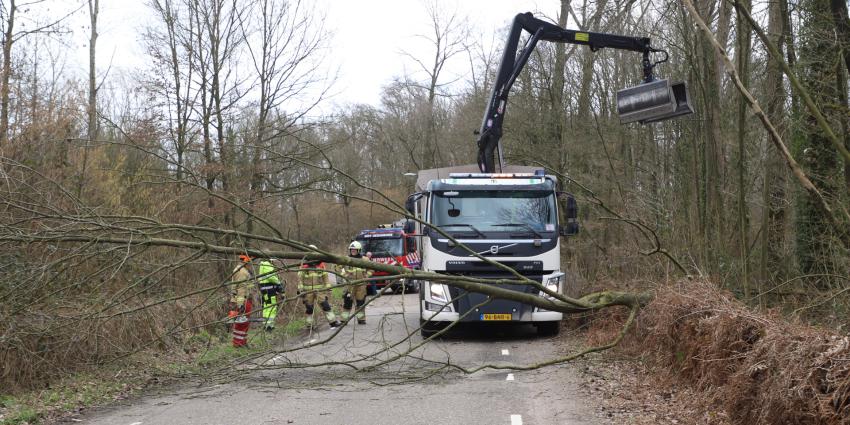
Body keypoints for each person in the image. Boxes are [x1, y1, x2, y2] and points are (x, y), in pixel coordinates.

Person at [297, 245, 342, 329]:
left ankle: (333, 322)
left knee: (326, 306)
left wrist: (328, 288)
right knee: (309, 309)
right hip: (307, 292)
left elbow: (325, 277)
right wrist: (301, 290)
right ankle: (309, 325)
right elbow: (300, 278)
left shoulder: (321, 264)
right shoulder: (303, 265)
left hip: (320, 291)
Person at [339, 241, 373, 324]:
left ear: (359, 250)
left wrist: (366, 276)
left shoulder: (365, 259)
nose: (353, 251)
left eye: (355, 250)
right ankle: (344, 320)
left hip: (361, 285)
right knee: (347, 303)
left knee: (360, 303)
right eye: (351, 250)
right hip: (350, 285)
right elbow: (338, 267)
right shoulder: (346, 259)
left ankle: (361, 319)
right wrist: (344, 275)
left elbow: (371, 269)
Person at [229, 254, 256, 347]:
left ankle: (242, 342)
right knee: (242, 323)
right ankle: (238, 343)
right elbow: (241, 289)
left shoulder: (240, 269)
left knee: (244, 322)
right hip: (243, 301)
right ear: (246, 261)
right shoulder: (242, 272)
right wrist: (241, 305)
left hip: (243, 299)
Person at [257, 258, 284, 331]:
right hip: (269, 290)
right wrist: (279, 283)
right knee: (272, 307)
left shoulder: (262, 265)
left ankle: (266, 324)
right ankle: (269, 326)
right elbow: (272, 277)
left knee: (266, 307)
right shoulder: (267, 265)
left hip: (265, 289)